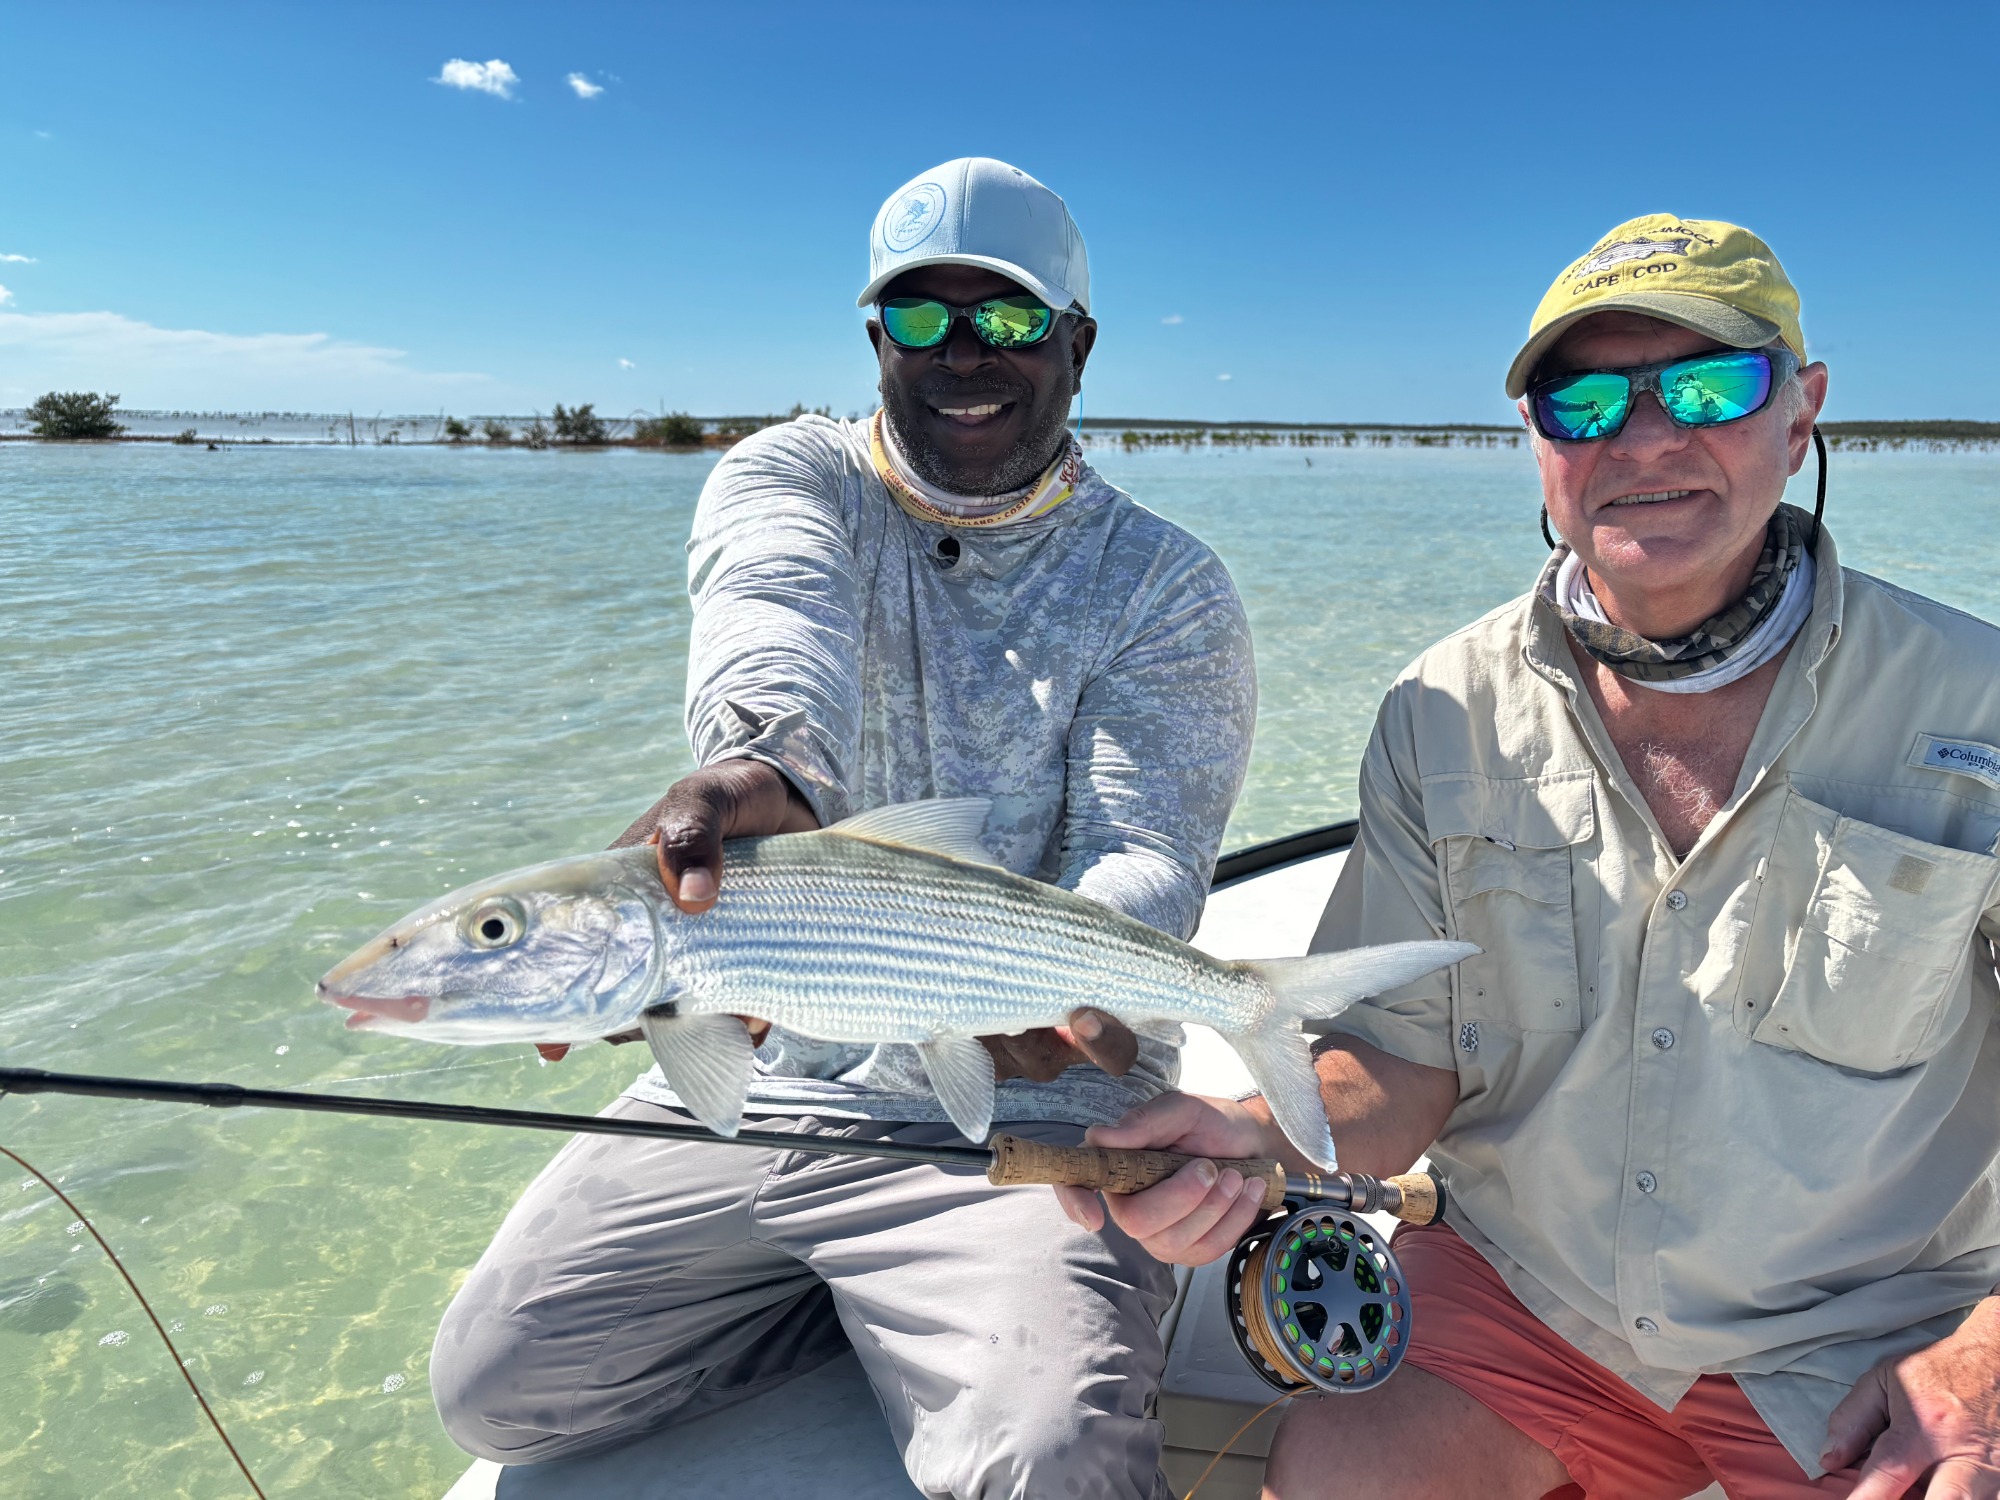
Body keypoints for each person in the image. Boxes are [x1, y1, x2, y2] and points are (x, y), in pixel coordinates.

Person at [1061, 215, 2000, 1499]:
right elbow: (1401, 1060)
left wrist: (1986, 1355)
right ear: (1535, 439)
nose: (1645, 438)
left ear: (1801, 414)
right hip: (1530, 1296)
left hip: (1874, 1324)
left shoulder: (1973, 700)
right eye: (1583, 401)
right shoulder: (1437, 708)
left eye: (1708, 387)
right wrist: (1244, 1136)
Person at [429, 156, 1256, 1500]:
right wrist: (767, 771)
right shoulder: (793, 475)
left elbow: (1144, 848)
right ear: (877, 340)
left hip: (1026, 1109)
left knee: (1052, 1460)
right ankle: (863, 1323)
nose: (962, 356)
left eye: (1007, 317)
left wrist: (1054, 992)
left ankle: (957, 1316)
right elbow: (772, 623)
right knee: (500, 1393)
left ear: (1079, 343)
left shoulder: (1164, 584)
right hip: (769, 1075)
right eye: (920, 319)